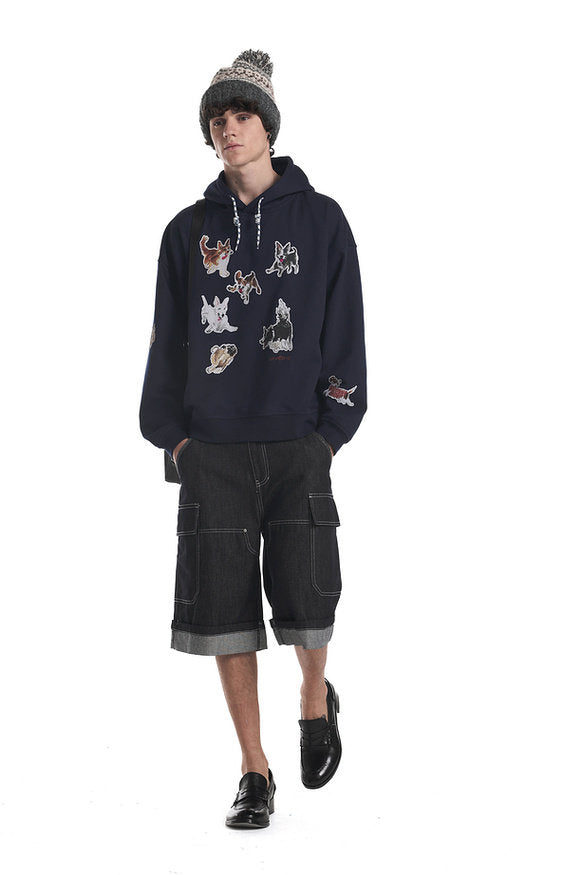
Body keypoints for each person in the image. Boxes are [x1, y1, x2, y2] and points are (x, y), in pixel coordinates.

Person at [139, 49, 367, 829]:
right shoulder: (186, 232)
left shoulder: (322, 220)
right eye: (217, 120)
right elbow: (168, 340)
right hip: (212, 449)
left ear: (268, 127)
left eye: (241, 116)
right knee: (224, 613)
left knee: (308, 597)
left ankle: (315, 697)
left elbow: (346, 334)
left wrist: (329, 435)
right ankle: (254, 768)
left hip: (298, 441)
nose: (229, 129)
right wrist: (175, 440)